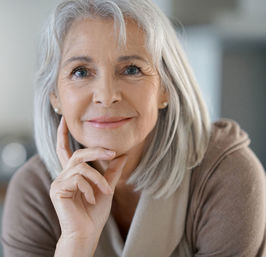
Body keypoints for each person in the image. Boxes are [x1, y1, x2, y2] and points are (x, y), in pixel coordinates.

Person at [1, 0, 265, 256]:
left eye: (131, 69)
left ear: (165, 89)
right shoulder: (34, 191)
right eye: (80, 72)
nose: (106, 95)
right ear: (54, 96)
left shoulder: (225, 174)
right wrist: (75, 242)